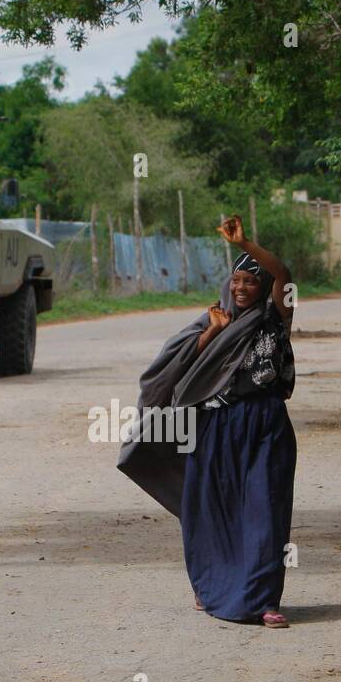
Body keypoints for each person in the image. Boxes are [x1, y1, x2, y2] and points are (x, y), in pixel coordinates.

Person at [117, 214, 297, 628]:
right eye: (236, 280)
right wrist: (210, 334)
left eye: (251, 281)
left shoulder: (275, 318)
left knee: (265, 510)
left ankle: (264, 600)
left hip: (266, 425)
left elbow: (283, 273)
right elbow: (169, 373)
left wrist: (246, 244)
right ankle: (210, 586)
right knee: (209, 509)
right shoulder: (214, 319)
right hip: (215, 427)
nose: (242, 288)